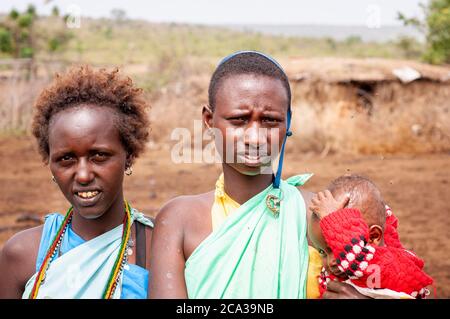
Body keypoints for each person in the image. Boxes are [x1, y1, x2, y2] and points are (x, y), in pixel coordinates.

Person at [150, 51, 368, 299]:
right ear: (209, 120)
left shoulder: (320, 215)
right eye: (239, 120)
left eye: (270, 120)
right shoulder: (178, 220)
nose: (255, 138)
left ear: (288, 122)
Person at [0, 66, 153, 299]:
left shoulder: (158, 247)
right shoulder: (22, 255)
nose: (82, 175)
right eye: (66, 159)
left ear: (129, 155)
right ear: (49, 163)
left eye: (99, 155)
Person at [309, 174, 433, 299]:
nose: (331, 262)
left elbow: (357, 258)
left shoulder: (391, 267)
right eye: (322, 252)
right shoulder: (341, 272)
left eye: (336, 248)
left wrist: (333, 219)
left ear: (373, 237)